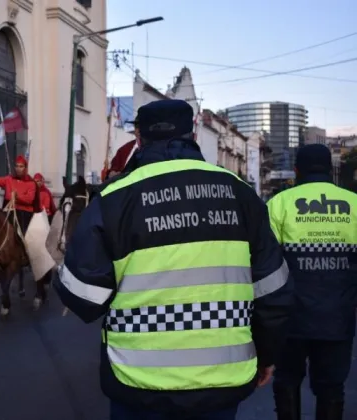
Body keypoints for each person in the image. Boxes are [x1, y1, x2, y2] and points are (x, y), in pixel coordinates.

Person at [54, 99, 294, 420]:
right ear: (193, 132)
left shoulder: (113, 198)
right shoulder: (240, 193)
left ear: (138, 138)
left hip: (138, 383)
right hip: (222, 381)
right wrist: (266, 355)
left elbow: (83, 297)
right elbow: (273, 293)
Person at [267, 144, 357, 420]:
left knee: (286, 380)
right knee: (332, 387)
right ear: (332, 170)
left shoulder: (279, 203)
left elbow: (266, 262)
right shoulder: (353, 203)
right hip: (338, 316)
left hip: (289, 316)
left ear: (296, 171)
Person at [0, 155, 39, 235]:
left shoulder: (31, 183)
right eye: (17, 166)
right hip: (9, 210)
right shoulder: (9, 179)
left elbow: (29, 199)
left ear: (25, 168)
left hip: (23, 212)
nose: (18, 169)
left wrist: (17, 197)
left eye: (21, 166)